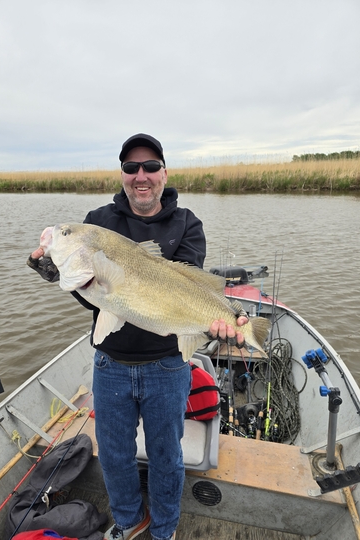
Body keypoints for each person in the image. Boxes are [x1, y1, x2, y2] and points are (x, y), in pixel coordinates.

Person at [28, 134, 248, 540]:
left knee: (167, 457)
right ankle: (130, 522)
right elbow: (98, 304)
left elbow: (188, 291)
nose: (140, 176)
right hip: (110, 365)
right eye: (131, 168)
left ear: (164, 173)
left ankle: (164, 530)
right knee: (113, 456)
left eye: (150, 167)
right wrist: (58, 273)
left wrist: (219, 324)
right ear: (124, 175)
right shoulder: (98, 221)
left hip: (168, 365)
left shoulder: (187, 224)